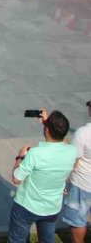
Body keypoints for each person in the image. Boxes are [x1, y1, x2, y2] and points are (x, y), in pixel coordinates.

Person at [8, 108, 77, 243]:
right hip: (52, 207)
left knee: (17, 240)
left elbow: (16, 178)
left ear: (47, 130)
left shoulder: (35, 153)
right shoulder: (72, 151)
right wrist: (47, 124)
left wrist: (20, 157)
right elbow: (59, 142)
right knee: (47, 240)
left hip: (26, 205)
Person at [63, 101, 91, 243]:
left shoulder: (83, 133)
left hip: (82, 184)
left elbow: (72, 161)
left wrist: (63, 182)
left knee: (77, 222)